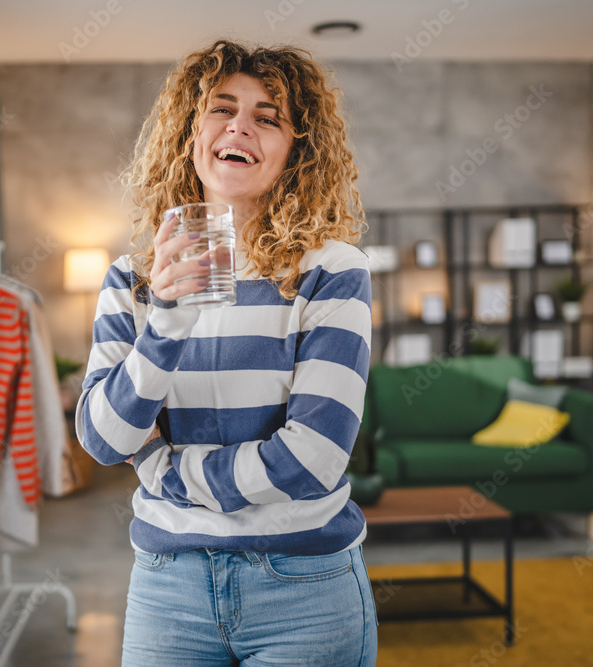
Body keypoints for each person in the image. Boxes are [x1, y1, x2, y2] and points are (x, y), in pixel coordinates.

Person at [77, 39, 376, 666]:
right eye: (222, 108)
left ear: (297, 149)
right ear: (191, 131)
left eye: (269, 117)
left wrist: (171, 475)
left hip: (305, 591)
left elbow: (314, 458)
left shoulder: (331, 270)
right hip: (168, 589)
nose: (241, 125)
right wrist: (164, 320)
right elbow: (104, 439)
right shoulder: (133, 279)